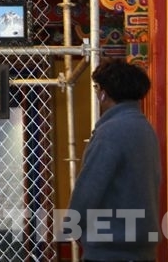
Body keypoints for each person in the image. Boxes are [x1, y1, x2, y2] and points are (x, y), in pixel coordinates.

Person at [66, 58, 161, 262]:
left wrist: (73, 225)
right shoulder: (145, 129)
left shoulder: (109, 132)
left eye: (96, 88)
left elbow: (89, 189)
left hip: (109, 250)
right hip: (142, 249)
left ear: (103, 93)